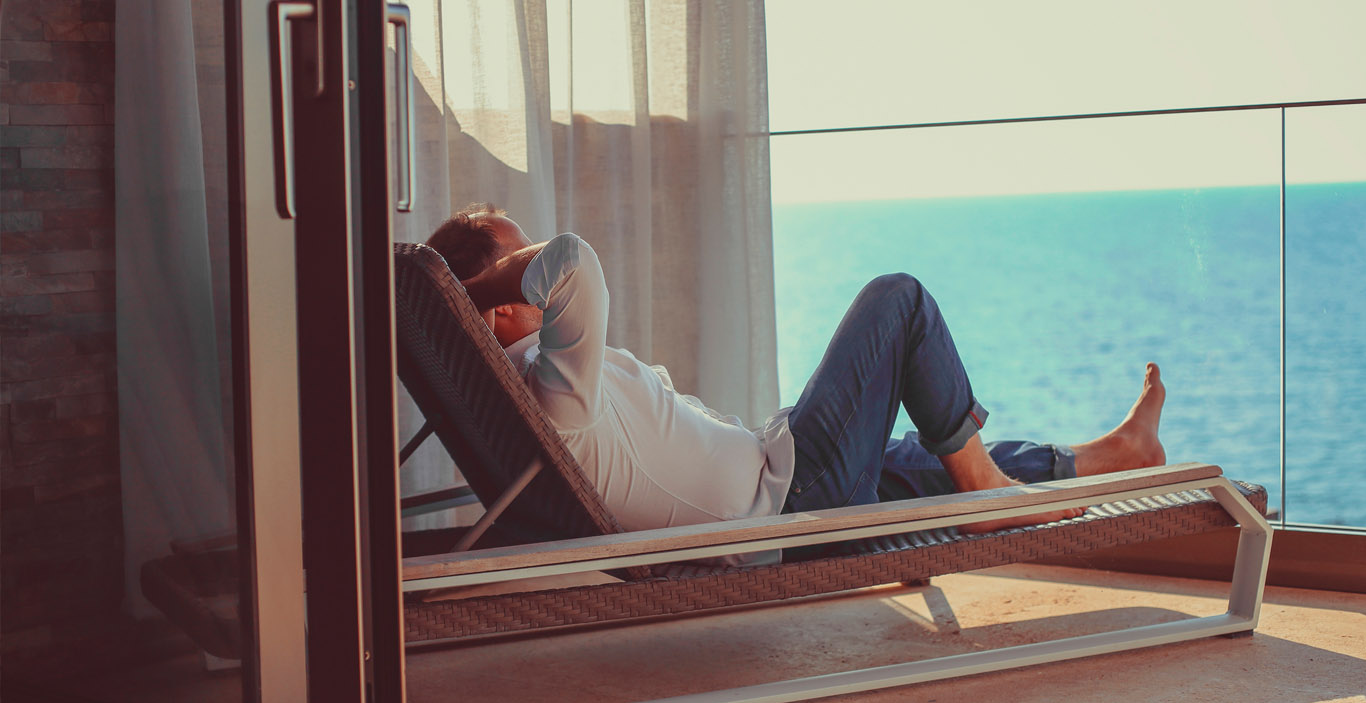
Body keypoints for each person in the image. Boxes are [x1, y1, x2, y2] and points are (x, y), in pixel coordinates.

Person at [425, 204, 1167, 550]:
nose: (529, 275)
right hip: (788, 507)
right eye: (510, 269)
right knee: (897, 301)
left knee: (920, 456)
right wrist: (480, 290)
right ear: (492, 308)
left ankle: (1111, 456)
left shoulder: (552, 387)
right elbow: (572, 262)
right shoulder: (551, 395)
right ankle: (988, 497)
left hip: (781, 467)